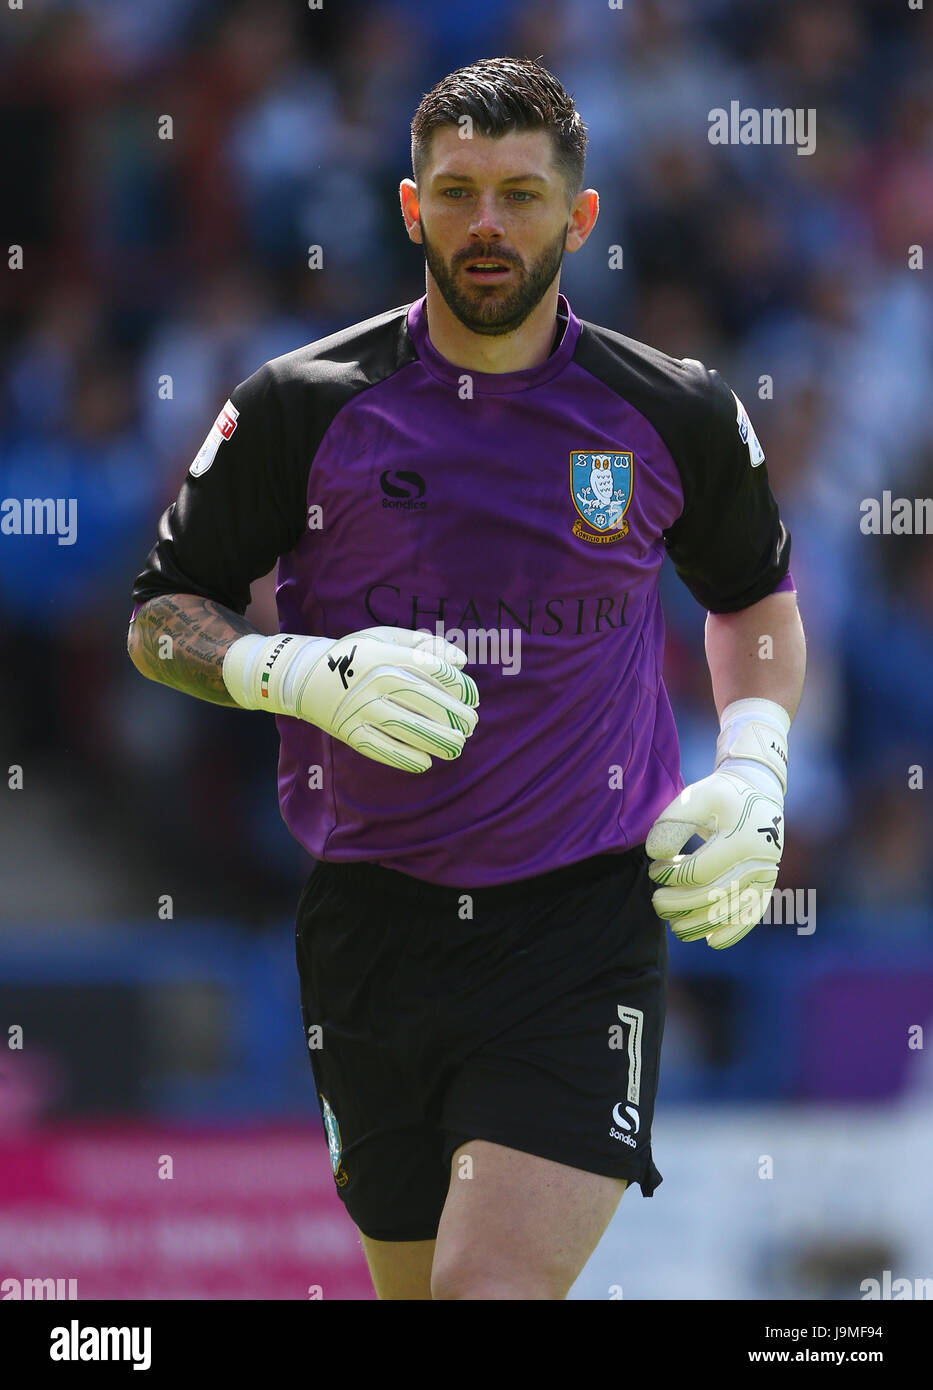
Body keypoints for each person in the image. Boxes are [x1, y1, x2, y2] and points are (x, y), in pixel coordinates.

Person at [127, 56, 805, 1301]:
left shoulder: (673, 413)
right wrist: (292, 669)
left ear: (580, 217)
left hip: (578, 926)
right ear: (408, 207)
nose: (487, 225)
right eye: (456, 193)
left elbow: (753, 597)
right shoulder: (298, 407)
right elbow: (162, 619)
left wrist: (757, 761)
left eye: (519, 195)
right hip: (368, 928)